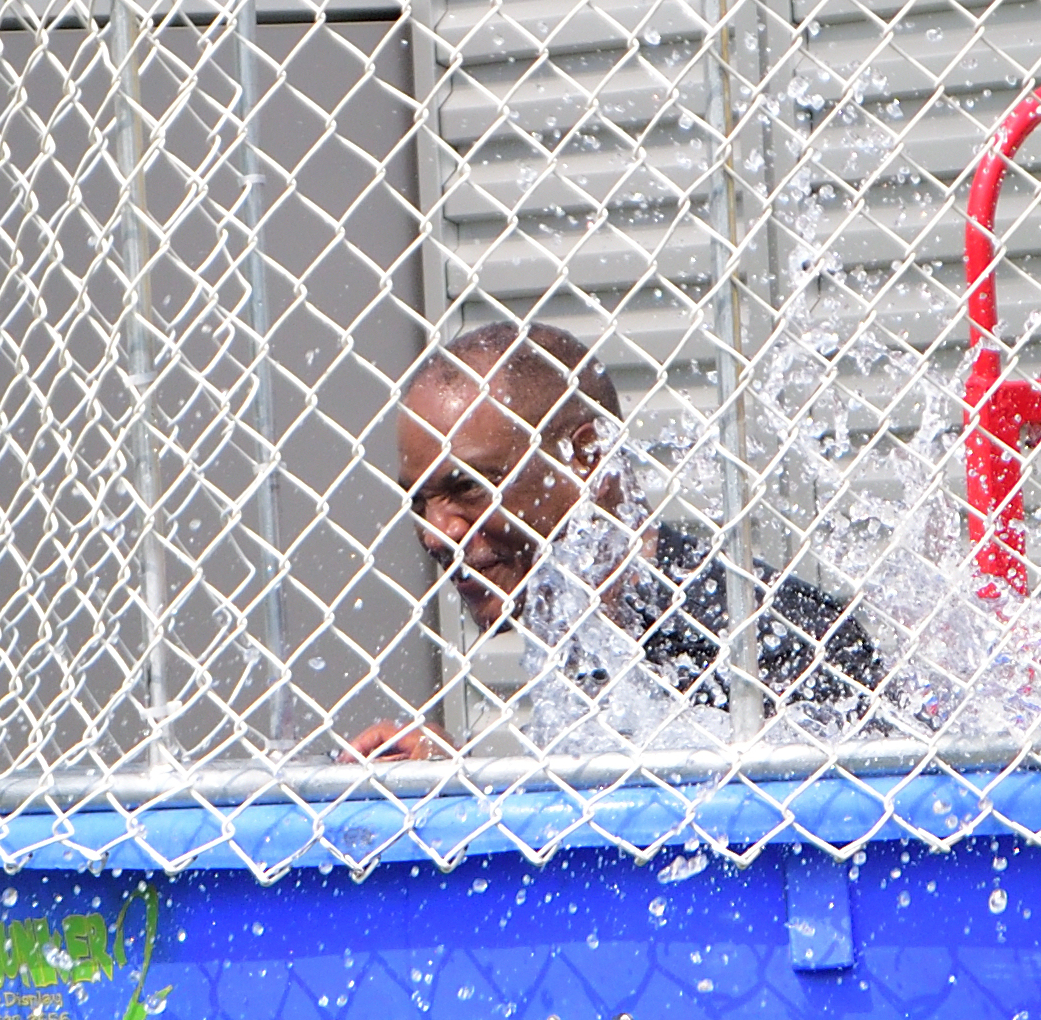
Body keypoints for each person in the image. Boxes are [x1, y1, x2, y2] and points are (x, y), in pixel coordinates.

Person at [343, 321, 881, 760]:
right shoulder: (577, 631)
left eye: (469, 487)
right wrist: (456, 778)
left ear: (588, 454)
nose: (439, 533)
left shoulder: (769, 636)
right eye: (419, 501)